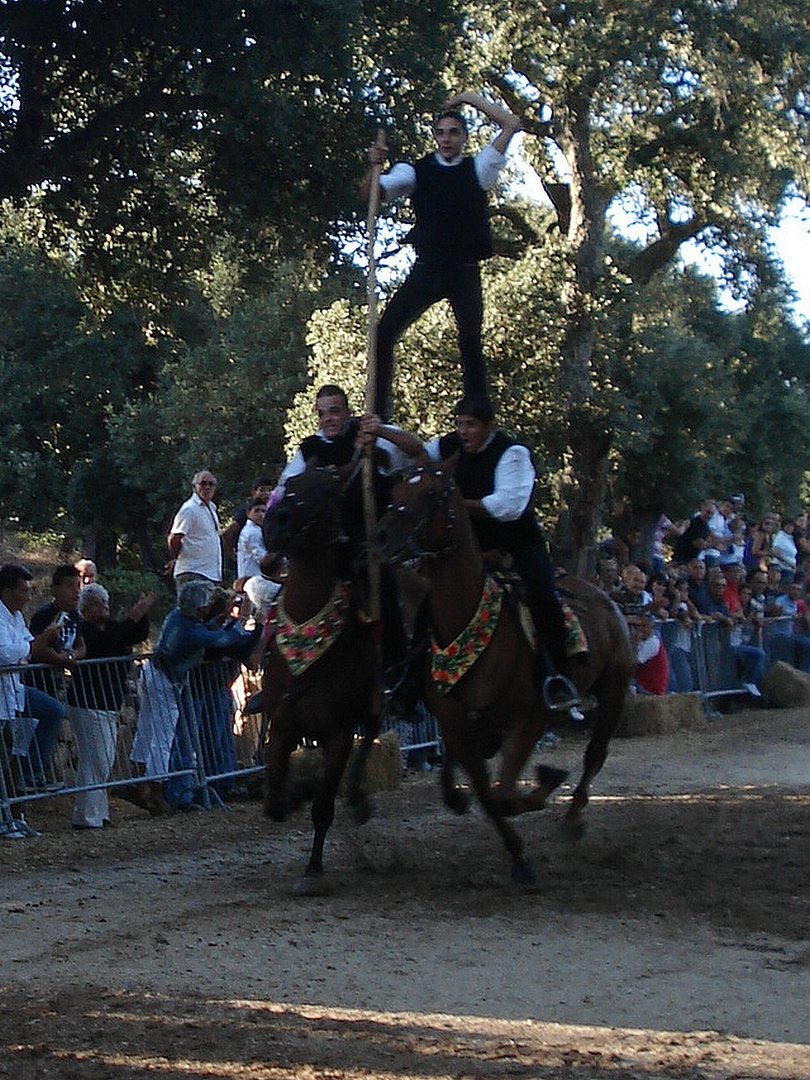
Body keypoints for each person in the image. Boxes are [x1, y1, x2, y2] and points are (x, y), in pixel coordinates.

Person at [363, 393, 582, 709]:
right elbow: (416, 451)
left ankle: (557, 677)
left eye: (471, 425)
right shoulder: (450, 445)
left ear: (489, 426)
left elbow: (507, 506)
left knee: (543, 595)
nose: (464, 431)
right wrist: (380, 430)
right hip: (472, 551)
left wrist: (452, 504)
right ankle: (409, 679)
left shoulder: (512, 453)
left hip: (516, 545)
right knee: (429, 606)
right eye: (460, 424)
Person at [363, 91, 522, 419]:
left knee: (470, 341)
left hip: (464, 271)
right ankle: (378, 413)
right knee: (383, 332)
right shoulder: (416, 172)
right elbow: (371, 195)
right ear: (434, 137)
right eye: (441, 132)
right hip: (428, 270)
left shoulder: (479, 168)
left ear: (464, 138)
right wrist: (374, 167)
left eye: (454, 132)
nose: (447, 139)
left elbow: (511, 123)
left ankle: (477, 417)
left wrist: (465, 98)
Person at [273, 384, 417, 689]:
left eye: (335, 411)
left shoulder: (368, 435)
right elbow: (285, 489)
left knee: (386, 591)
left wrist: (380, 435)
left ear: (347, 412)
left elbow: (416, 451)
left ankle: (397, 672)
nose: (328, 418)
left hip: (368, 541)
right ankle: (275, 674)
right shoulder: (309, 448)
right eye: (322, 413)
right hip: (326, 545)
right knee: (283, 600)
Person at [130, 580, 261, 811]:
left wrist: (224, 619)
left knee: (147, 731)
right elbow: (234, 643)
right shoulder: (195, 633)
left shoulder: (177, 616)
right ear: (200, 608)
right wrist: (247, 621)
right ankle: (157, 793)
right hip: (166, 680)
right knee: (164, 736)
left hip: (154, 672)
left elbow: (212, 629)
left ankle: (140, 785)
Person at [69, 583, 156, 828]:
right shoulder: (83, 629)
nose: (104, 608)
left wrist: (142, 615)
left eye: (106, 603)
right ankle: (88, 817)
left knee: (102, 760)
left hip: (106, 703)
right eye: (99, 603)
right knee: (96, 759)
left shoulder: (113, 627)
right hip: (89, 702)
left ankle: (97, 813)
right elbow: (104, 644)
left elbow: (135, 634)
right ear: (87, 608)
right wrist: (132, 617)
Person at [0, 563, 68, 791]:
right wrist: (33, 645)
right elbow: (7, 653)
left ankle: (32, 771)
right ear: (7, 592)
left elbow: (29, 645)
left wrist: (41, 641)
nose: (28, 597)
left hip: (13, 690)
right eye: (23, 591)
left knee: (54, 710)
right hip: (3, 692)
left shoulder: (16, 616)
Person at [167, 470, 223, 587]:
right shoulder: (189, 509)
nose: (207, 487)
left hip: (211, 574)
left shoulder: (212, 508)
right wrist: (177, 557)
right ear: (194, 487)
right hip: (193, 572)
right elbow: (175, 538)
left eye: (210, 484)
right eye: (203, 484)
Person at [236, 497, 268, 583]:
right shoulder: (252, 532)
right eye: (257, 511)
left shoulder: (256, 529)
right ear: (248, 513)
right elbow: (262, 559)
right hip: (253, 581)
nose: (261, 514)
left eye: (263, 511)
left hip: (250, 579)